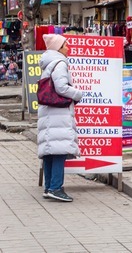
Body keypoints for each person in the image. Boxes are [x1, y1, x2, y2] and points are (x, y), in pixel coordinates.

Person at [38, 34, 83, 202]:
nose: (68, 48)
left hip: (49, 112)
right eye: (65, 45)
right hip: (59, 113)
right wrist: (78, 93)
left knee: (50, 151)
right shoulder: (60, 63)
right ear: (58, 48)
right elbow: (62, 87)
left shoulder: (48, 63)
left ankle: (49, 187)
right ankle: (56, 188)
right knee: (59, 151)